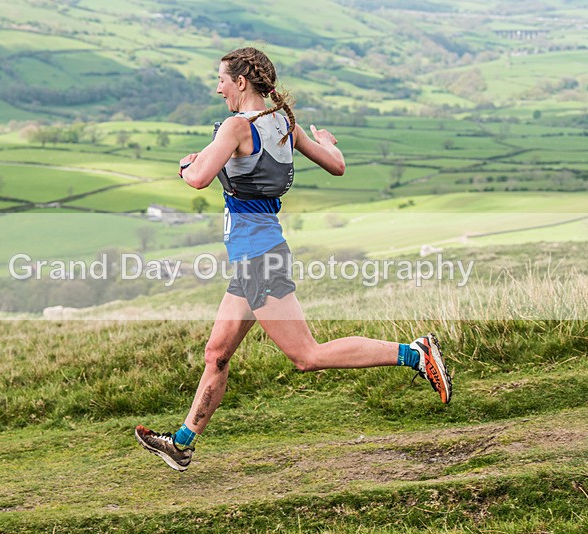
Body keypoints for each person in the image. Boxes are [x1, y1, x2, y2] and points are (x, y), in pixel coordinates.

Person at [135, 47, 452, 472]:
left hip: (259, 259)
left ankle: (416, 353)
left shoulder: (235, 126)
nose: (218, 88)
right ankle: (182, 443)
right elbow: (336, 166)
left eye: (222, 80)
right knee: (217, 354)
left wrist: (185, 163)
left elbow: (196, 178)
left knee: (307, 356)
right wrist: (323, 142)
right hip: (253, 259)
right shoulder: (284, 123)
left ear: (241, 81)